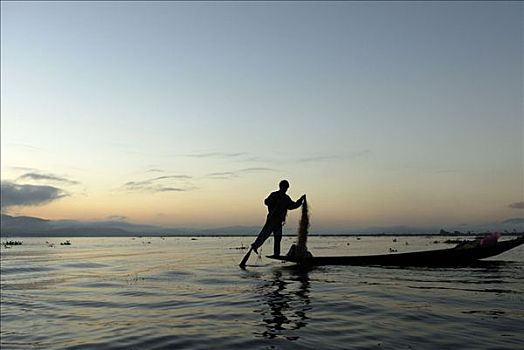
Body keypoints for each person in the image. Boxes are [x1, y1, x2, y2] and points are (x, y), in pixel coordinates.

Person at [251, 180, 306, 257]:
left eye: (287, 188)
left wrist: (300, 200)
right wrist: (274, 202)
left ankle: (276, 254)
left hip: (278, 221)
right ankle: (255, 246)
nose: (286, 189)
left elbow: (292, 205)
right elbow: (266, 202)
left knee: (278, 237)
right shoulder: (274, 195)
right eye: (285, 187)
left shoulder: (286, 198)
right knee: (265, 234)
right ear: (281, 187)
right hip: (271, 219)